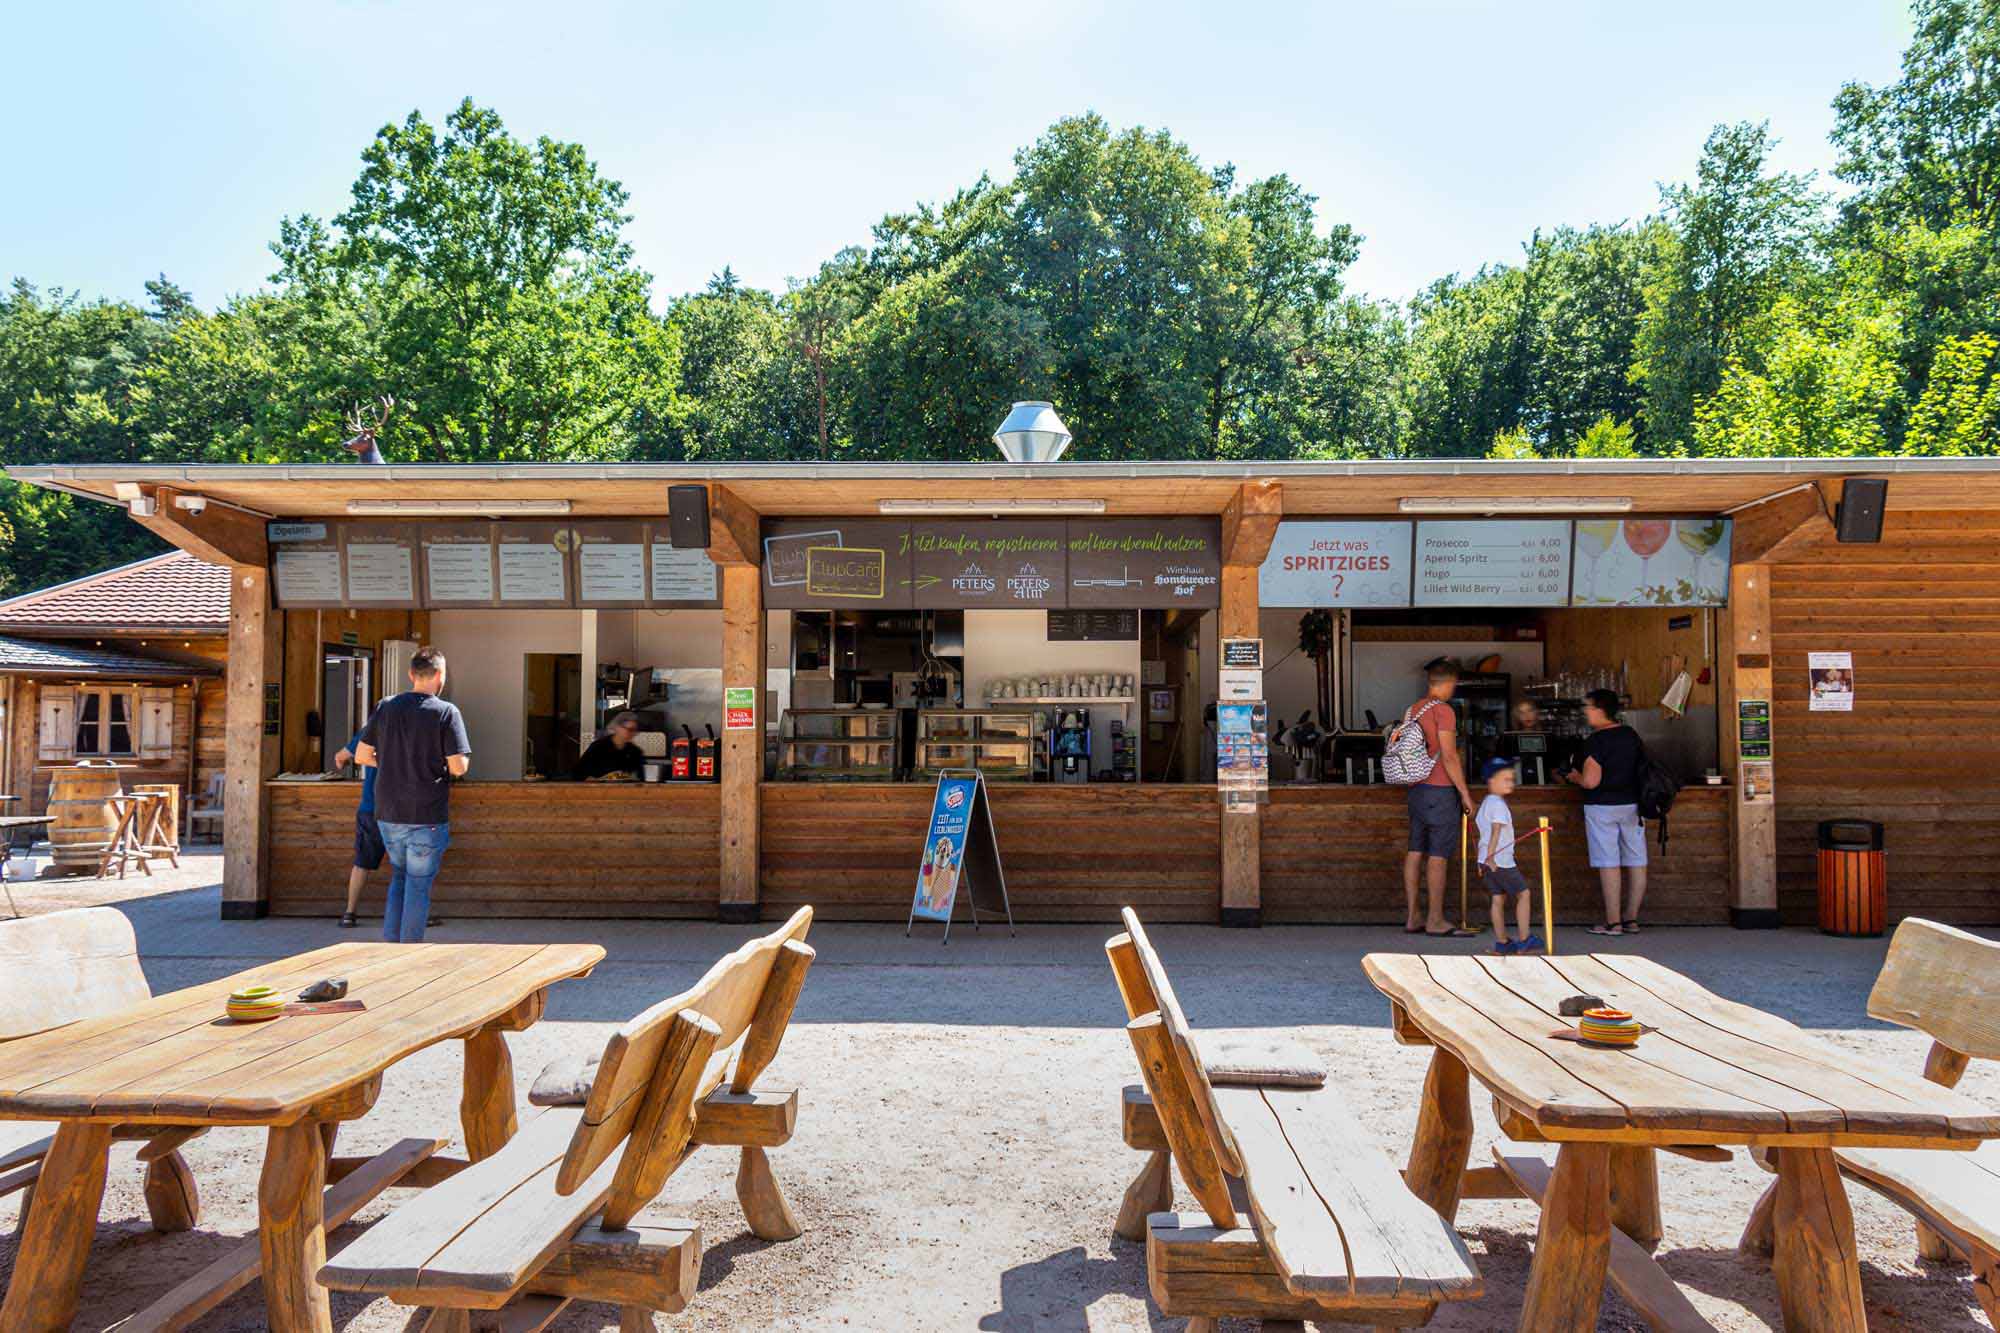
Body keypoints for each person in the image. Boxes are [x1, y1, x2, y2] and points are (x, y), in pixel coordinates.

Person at [354, 647, 470, 942]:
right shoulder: (446, 712)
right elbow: (458, 767)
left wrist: (392, 761)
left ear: (411, 675)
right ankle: (409, 953)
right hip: (426, 812)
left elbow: (362, 755)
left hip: (389, 813)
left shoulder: (386, 706)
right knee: (418, 886)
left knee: (400, 878)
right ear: (440, 676)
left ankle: (392, 948)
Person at [1396, 660, 1475, 937]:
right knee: (1438, 855)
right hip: (1440, 790)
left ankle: (1412, 916)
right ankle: (1435, 920)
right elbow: (1450, 756)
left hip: (1416, 789)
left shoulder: (1412, 710)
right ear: (1448, 683)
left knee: (1415, 851)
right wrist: (1465, 793)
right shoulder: (1444, 711)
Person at [1564, 687, 1647, 935]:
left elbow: (1591, 781)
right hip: (1633, 805)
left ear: (1600, 710)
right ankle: (1631, 919)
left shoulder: (1595, 741)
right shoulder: (1631, 735)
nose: (1585, 713)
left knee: (1609, 863)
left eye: (1588, 707)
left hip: (1602, 808)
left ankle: (1613, 923)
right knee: (1636, 861)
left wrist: (1574, 776)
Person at [1476, 757, 1542, 955]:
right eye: (1505, 779)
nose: (1510, 783)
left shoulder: (1487, 803)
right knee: (1524, 894)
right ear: (1491, 781)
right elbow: (1496, 831)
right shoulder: (1498, 805)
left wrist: (1484, 859)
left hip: (1486, 860)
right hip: (1500, 861)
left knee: (1498, 898)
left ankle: (1502, 942)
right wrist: (1491, 857)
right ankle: (1524, 939)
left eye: (1511, 779)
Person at [331, 733, 381, 929]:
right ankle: (414, 912)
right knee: (407, 866)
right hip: (403, 809)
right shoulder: (413, 727)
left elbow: (340, 757)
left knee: (362, 863)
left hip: (371, 806)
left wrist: (342, 764)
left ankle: (349, 912)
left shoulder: (370, 730)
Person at [574, 711, 646, 780]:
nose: (632, 733)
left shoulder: (635, 752)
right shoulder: (598, 747)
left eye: (634, 730)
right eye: (629, 729)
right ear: (617, 727)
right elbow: (579, 773)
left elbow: (641, 778)